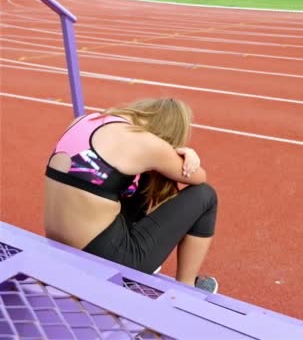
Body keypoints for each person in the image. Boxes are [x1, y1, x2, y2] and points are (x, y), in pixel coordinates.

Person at [43, 97, 219, 293]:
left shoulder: (84, 120)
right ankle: (187, 287)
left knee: (137, 176)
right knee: (205, 196)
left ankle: (147, 253)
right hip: (107, 257)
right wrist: (190, 153)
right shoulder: (146, 143)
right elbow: (197, 177)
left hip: (59, 242)